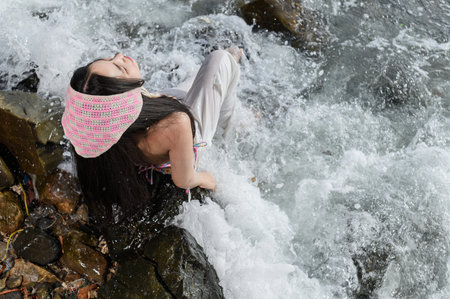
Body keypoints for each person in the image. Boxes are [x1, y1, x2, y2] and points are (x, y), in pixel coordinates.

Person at [62, 48, 242, 221]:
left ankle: (228, 90)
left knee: (203, 77)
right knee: (221, 60)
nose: (119, 56)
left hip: (160, 126)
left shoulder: (100, 120)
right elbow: (184, 179)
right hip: (185, 135)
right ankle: (231, 125)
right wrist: (207, 179)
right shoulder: (176, 123)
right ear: (122, 100)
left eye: (111, 59)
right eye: (121, 68)